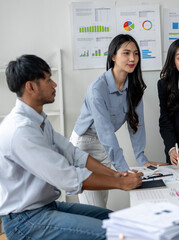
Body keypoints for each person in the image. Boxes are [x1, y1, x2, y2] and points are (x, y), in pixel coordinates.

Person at [0, 54, 143, 240]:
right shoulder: (20, 131)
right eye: (48, 79)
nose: (54, 85)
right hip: (25, 220)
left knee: (118, 221)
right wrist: (120, 183)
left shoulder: (38, 120)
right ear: (31, 86)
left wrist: (114, 174)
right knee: (116, 234)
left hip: (46, 207)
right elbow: (67, 177)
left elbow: (73, 154)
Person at [70, 34, 166, 207]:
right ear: (113, 56)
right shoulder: (97, 89)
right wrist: (123, 170)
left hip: (104, 147)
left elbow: (137, 125)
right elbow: (106, 132)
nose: (132, 58)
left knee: (102, 204)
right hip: (84, 145)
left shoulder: (134, 87)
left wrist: (142, 158)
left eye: (136, 54)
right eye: (126, 53)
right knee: (94, 208)